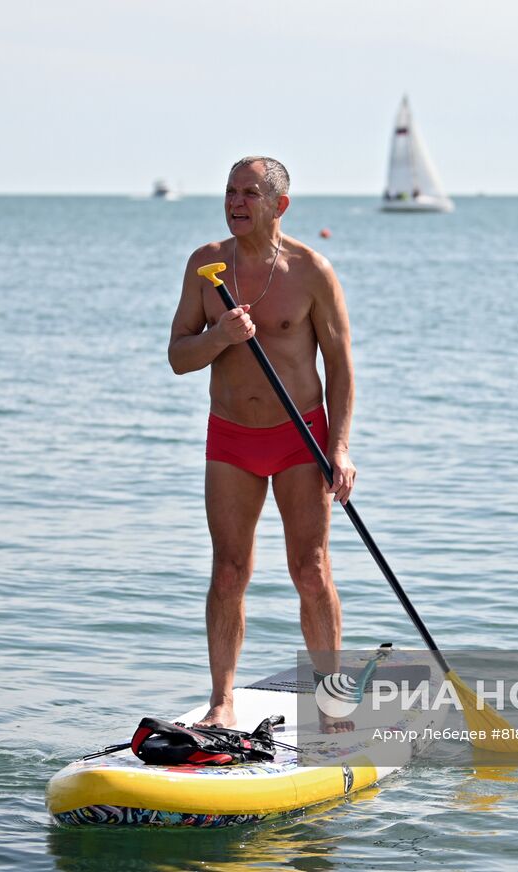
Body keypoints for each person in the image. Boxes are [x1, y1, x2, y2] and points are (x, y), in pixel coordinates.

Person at [168, 156, 356, 732]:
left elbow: (340, 367)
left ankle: (332, 702)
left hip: (300, 436)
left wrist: (339, 448)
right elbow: (178, 356)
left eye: (249, 192)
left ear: (280, 204)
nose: (235, 202)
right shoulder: (205, 266)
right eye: (230, 191)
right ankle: (221, 702)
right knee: (228, 571)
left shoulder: (311, 270)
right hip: (230, 438)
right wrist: (220, 337)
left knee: (310, 568)